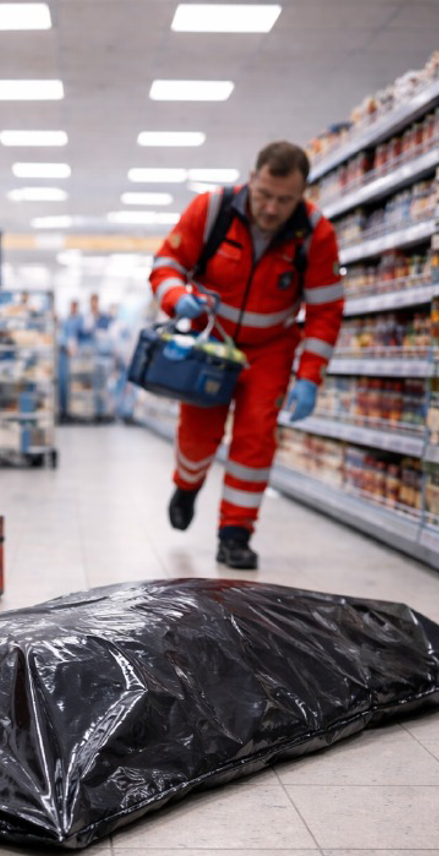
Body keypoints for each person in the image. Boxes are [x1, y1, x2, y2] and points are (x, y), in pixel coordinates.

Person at [149, 140, 344, 568]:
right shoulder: (213, 209)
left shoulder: (316, 234)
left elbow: (325, 311)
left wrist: (310, 375)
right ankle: (187, 484)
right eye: (265, 195)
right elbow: (166, 263)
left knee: (256, 440)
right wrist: (176, 296)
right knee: (198, 434)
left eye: (285, 199)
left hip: (270, 350)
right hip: (212, 346)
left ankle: (235, 534)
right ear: (251, 179)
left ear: (303, 194)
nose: (272, 208)